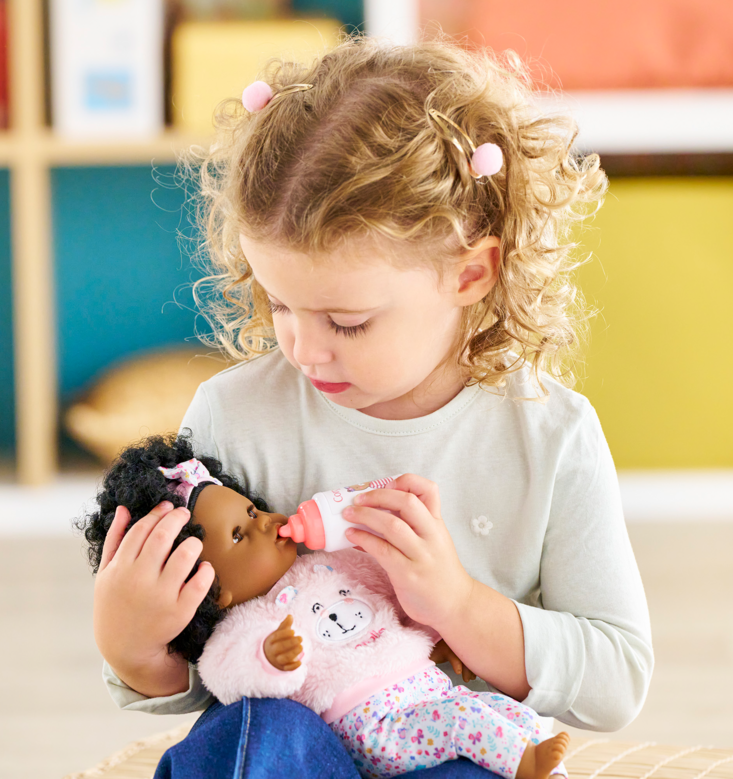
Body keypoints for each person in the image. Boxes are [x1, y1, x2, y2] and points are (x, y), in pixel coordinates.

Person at [92, 34, 653, 777]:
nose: (302, 347)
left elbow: (616, 679)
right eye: (278, 302)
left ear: (470, 272)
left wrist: (456, 604)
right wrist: (132, 645)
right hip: (288, 747)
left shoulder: (548, 435)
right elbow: (213, 672)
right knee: (252, 738)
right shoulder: (236, 415)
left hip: (451, 745)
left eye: (347, 322)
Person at [82, 435, 571, 778]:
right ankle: (524, 762)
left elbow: (395, 596)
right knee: (461, 727)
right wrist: (270, 658)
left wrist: (445, 629)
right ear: (213, 592)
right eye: (239, 533)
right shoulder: (250, 622)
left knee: (498, 712)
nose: (267, 522)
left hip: (426, 697)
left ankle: (533, 758)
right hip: (375, 727)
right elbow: (226, 672)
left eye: (252, 511)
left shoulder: (334, 566)